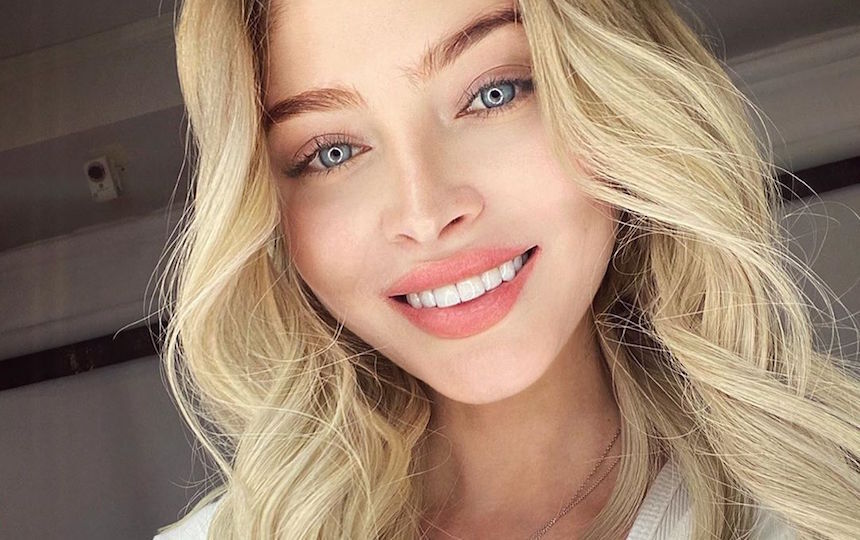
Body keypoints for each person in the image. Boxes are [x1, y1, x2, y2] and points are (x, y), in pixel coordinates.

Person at [153, 0, 860, 538]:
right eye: (331, 152)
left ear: (616, 100)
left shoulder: (820, 507)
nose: (426, 213)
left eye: (493, 93)